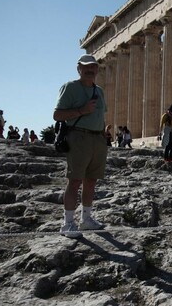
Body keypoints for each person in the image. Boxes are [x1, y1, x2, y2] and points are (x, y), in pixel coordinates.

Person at [54, 54, 107, 238]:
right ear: (79, 69)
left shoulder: (99, 91)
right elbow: (57, 115)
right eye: (85, 67)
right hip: (78, 137)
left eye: (93, 67)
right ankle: (67, 223)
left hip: (98, 140)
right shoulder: (70, 88)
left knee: (91, 180)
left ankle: (86, 219)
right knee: (75, 180)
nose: (89, 70)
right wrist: (81, 111)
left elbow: (101, 115)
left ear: (97, 69)